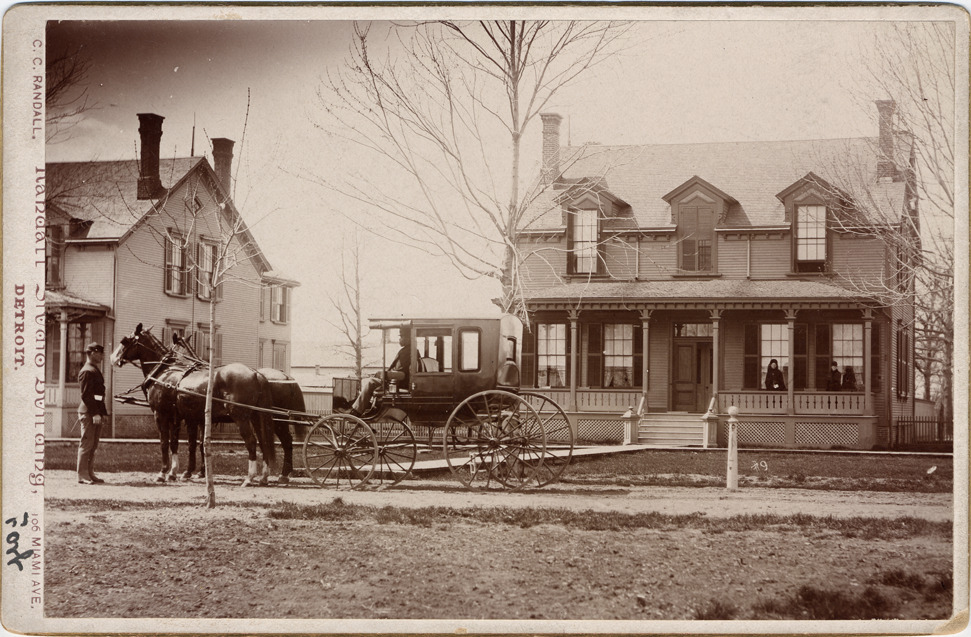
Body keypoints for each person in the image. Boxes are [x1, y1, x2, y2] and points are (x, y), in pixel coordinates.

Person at [350, 332, 412, 416]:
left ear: (408, 338)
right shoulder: (408, 351)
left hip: (397, 384)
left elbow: (402, 374)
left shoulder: (407, 352)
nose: (399, 339)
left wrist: (384, 374)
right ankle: (368, 406)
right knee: (372, 381)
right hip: (396, 383)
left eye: (401, 337)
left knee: (371, 382)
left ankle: (356, 411)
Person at [77, 342, 108, 484]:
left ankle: (89, 473)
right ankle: (82, 475)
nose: (102, 356)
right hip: (89, 413)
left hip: (95, 413)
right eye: (100, 353)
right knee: (86, 444)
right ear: (93, 353)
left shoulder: (94, 369)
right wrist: (95, 413)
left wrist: (102, 413)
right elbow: (86, 395)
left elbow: (99, 396)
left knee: (93, 445)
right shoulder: (87, 371)